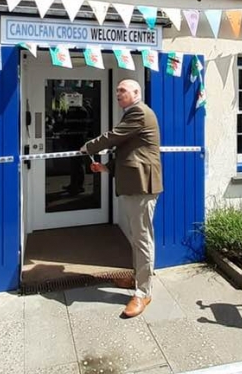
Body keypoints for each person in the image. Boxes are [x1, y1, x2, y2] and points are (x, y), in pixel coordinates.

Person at [80, 79, 163, 318]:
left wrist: (88, 147)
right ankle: (139, 278)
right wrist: (106, 168)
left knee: (142, 239)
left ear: (136, 93)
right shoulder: (132, 114)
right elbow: (129, 150)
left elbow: (114, 137)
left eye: (122, 90)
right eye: (116, 90)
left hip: (142, 186)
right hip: (133, 183)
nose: (118, 93)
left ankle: (143, 293)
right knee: (138, 237)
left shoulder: (138, 112)